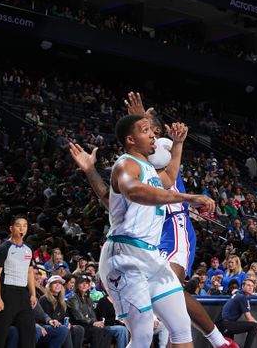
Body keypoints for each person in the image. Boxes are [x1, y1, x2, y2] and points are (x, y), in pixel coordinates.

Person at [88, 115, 215, 348]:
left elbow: (170, 177)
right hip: (124, 255)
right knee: (144, 333)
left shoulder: (148, 169)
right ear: (131, 139)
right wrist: (188, 198)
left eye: (152, 131)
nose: (153, 135)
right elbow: (135, 191)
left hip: (151, 255)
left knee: (180, 327)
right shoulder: (126, 164)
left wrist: (177, 144)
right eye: (145, 130)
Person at [125, 93, 238, 348]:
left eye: (144, 126)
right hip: (152, 231)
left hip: (173, 227)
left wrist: (141, 115)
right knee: (169, 295)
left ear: (154, 131)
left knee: (170, 285)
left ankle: (219, 341)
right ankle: (219, 342)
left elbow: (162, 164)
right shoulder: (137, 156)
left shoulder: (163, 146)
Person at [0, 216, 37, 348]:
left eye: (25, 225)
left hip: (23, 294)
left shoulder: (28, 250)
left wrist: (33, 293)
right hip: (7, 293)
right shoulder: (2, 249)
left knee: (29, 333)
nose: (22, 228)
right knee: (1, 335)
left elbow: (29, 272)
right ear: (11, 228)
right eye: (18, 225)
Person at [38, 276, 84, 348]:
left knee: (79, 329)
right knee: (65, 330)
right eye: (55, 283)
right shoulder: (44, 299)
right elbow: (44, 317)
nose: (58, 285)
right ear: (49, 286)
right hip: (47, 326)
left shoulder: (62, 301)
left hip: (60, 325)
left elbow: (66, 317)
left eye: (59, 283)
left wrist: (69, 323)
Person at [65, 276, 111, 348]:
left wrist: (97, 323)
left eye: (86, 283)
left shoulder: (88, 298)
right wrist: (93, 322)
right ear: (77, 285)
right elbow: (78, 316)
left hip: (87, 324)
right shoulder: (73, 297)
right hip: (78, 325)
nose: (84, 285)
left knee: (107, 333)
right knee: (97, 331)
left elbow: (92, 314)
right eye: (81, 283)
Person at [216, 278, 257, 348]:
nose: (251, 288)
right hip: (225, 324)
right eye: (248, 285)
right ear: (243, 286)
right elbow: (249, 318)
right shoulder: (242, 297)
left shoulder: (239, 294)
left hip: (222, 324)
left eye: (252, 286)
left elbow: (235, 291)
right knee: (254, 326)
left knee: (229, 346)